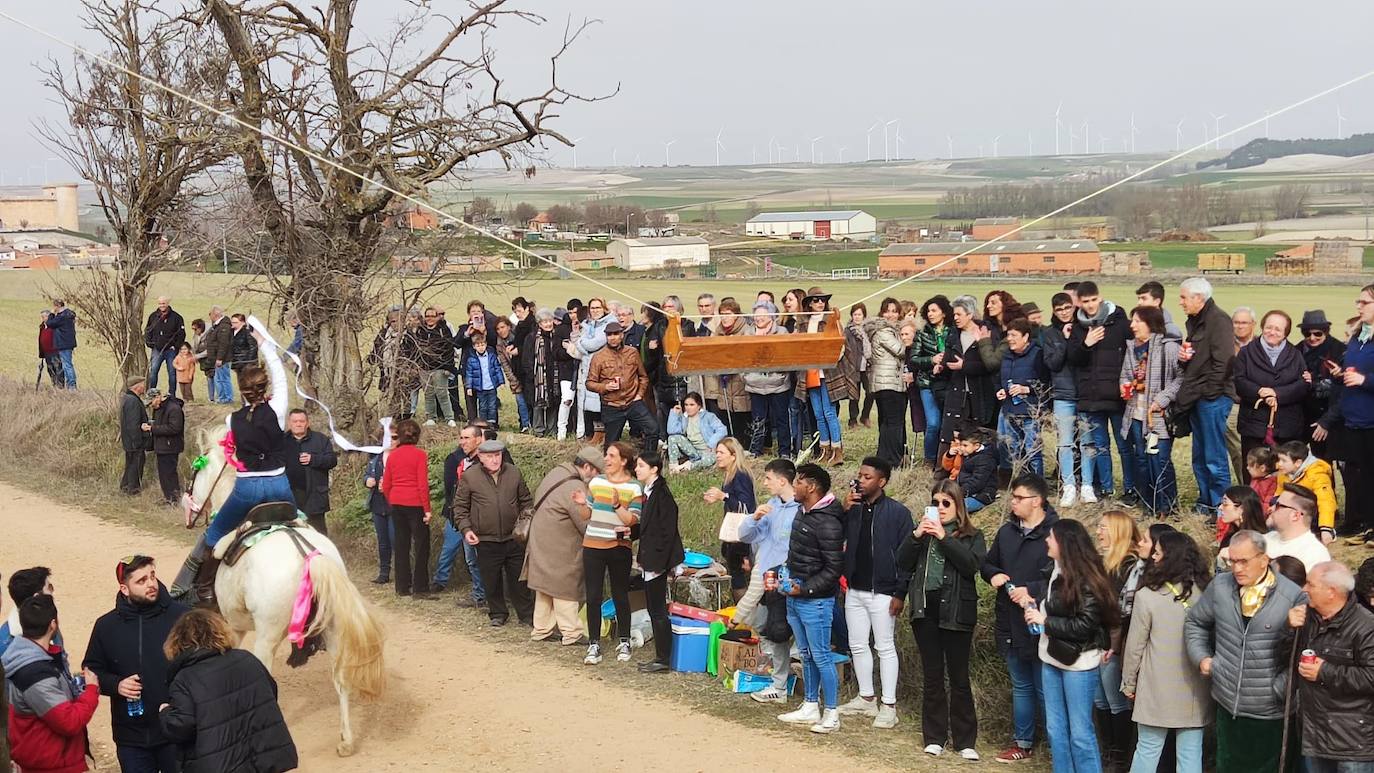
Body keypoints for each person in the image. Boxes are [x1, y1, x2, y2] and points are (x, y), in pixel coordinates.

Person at [170, 330, 294, 606]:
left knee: (213, 534)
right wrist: (264, 345)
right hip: (279, 485)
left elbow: (235, 449)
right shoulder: (278, 409)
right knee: (301, 527)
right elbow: (280, 375)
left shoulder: (231, 421)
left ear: (242, 390)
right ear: (265, 388)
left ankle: (202, 588)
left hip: (248, 489)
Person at [1185, 529, 1304, 773]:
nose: (1237, 568)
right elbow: (1195, 622)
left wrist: (1279, 689)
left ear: (1264, 559)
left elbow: (1304, 650)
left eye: (1243, 561)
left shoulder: (1292, 596)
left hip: (1270, 713)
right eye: (1232, 561)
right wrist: (1202, 658)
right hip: (1227, 703)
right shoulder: (1220, 586)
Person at [897, 479, 986, 759]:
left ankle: (965, 741)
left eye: (946, 503)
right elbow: (901, 562)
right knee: (933, 675)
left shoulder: (972, 535)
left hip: (957, 610)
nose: (940, 508)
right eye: (935, 503)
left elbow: (971, 565)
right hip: (925, 611)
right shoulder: (922, 533)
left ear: (958, 506)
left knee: (959, 676)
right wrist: (916, 535)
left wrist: (944, 538)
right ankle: (935, 737)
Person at [1022, 519, 1120, 773]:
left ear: (1064, 543)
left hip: (1079, 663)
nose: (1046, 540)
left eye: (1051, 537)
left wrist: (1045, 621)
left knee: (1080, 733)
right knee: (1056, 730)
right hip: (1051, 657)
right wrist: (1034, 608)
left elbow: (1084, 625)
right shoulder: (1053, 570)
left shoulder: (1087, 579)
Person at [83, 555, 189, 773]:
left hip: (175, 730)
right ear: (124, 589)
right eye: (141, 581)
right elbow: (92, 670)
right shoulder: (106, 626)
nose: (151, 584)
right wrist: (116, 685)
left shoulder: (182, 617)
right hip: (131, 737)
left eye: (152, 576)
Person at [159, 608, 297, 773]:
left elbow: (181, 727)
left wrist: (165, 713)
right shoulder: (247, 658)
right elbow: (270, 692)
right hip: (261, 758)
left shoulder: (184, 678)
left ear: (178, 642)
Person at [1119, 531, 1212, 773]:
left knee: (1148, 749)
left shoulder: (1147, 596)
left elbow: (1135, 646)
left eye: (1158, 553)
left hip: (1155, 688)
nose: (1153, 557)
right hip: (1195, 687)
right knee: (1190, 754)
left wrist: (1129, 683)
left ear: (1170, 558)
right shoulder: (1206, 593)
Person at [982, 472, 1058, 763]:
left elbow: (1067, 576)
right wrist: (994, 574)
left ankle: (1056, 748)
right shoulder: (1007, 532)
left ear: (1037, 501)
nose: (1012, 502)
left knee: (1046, 689)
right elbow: (988, 563)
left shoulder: (1057, 532)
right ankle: (1022, 743)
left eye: (1018, 498)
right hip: (1010, 621)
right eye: (1012, 497)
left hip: (1044, 623)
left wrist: (1032, 590)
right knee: (1022, 686)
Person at [836, 456, 913, 729]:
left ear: (882, 481)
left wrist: (900, 592)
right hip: (855, 588)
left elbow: (908, 555)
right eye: (859, 475)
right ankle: (866, 697)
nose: (861, 480)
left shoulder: (898, 513)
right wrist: (844, 511)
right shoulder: (853, 509)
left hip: (884, 590)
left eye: (867, 477)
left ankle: (889, 705)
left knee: (884, 646)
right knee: (858, 644)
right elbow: (837, 537)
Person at [776, 463, 846, 735]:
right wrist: (785, 576)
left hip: (815, 601)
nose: (794, 486)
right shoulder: (802, 512)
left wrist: (804, 590)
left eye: (799, 482)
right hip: (794, 594)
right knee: (806, 654)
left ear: (812, 487)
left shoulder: (828, 522)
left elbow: (833, 569)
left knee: (821, 656)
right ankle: (810, 705)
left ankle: (832, 712)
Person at [1290, 561, 1374, 773]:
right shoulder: (1306, 619)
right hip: (1315, 735)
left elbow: (1371, 677)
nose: (1304, 589)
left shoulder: (1366, 626)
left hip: (1352, 742)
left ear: (1331, 592)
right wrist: (1289, 629)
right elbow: (1285, 658)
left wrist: (1324, 671)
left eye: (1310, 584)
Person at [4, 595, 99, 773]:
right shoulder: (35, 673)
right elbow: (69, 722)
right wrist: (91, 690)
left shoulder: (36, 660)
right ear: (53, 624)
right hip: (50, 766)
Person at [733, 458, 801, 703]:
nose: (764, 483)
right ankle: (780, 681)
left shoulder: (800, 509)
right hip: (765, 575)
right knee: (768, 625)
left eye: (768, 478)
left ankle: (786, 684)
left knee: (783, 628)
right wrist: (754, 518)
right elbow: (745, 535)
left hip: (789, 578)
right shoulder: (771, 506)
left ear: (782, 481)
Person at [524, 446, 602, 646]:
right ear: (587, 467)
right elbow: (585, 523)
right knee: (565, 587)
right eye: (597, 473)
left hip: (542, 538)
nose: (596, 478)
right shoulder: (575, 487)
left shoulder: (558, 472)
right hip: (561, 544)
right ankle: (571, 632)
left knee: (545, 587)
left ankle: (541, 629)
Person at [454, 439, 534, 627]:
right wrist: (466, 529)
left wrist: (524, 524)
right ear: (480, 457)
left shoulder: (514, 473)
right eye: (490, 456)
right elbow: (460, 507)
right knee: (491, 579)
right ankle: (497, 613)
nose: (495, 460)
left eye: (497, 455)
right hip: (485, 538)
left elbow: (526, 501)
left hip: (513, 537)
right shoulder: (470, 476)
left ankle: (526, 615)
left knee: (519, 579)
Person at [575, 442, 642, 666]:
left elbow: (632, 520)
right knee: (593, 596)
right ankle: (593, 643)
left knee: (620, 595)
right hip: (592, 545)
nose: (606, 459)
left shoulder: (634, 487)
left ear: (623, 461)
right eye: (607, 455)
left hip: (619, 547)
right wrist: (581, 504)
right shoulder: (596, 482)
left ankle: (624, 640)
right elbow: (586, 515)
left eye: (612, 456)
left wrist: (616, 505)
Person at [1066, 280, 1133, 504]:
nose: (1091, 305)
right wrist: (1086, 344)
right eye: (1086, 301)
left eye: (1094, 300)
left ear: (1100, 298)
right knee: (1100, 446)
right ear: (1080, 302)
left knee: (1124, 446)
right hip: (1091, 396)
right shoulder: (1078, 327)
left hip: (1117, 396)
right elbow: (1073, 359)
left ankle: (1130, 488)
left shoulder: (1120, 323)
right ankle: (1106, 488)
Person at [1176, 277, 1237, 518]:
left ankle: (1222, 509)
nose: (1181, 302)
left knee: (1214, 457)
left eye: (1184, 297)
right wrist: (1184, 358)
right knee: (1200, 457)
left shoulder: (1218, 320)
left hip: (1212, 398)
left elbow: (1224, 361)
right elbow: (1200, 359)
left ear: (1199, 298)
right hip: (1197, 397)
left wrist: (1211, 392)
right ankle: (1206, 502)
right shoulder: (1196, 321)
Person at [1321, 285, 1374, 546]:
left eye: (1364, 302)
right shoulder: (1357, 336)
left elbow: (1364, 376)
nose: (1358, 306)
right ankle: (1362, 524)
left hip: (1372, 420)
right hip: (1353, 418)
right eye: (1358, 302)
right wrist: (1341, 374)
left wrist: (1365, 380)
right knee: (1358, 476)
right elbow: (1353, 370)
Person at [1119, 305, 1184, 516]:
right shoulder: (1131, 347)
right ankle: (1150, 505)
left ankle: (1168, 506)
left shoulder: (1168, 348)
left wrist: (1162, 399)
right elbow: (1125, 375)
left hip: (1158, 415)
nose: (1132, 325)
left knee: (1160, 460)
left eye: (1137, 321)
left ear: (1151, 324)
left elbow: (1181, 379)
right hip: (1135, 414)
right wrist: (1124, 386)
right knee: (1142, 460)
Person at [1095, 511, 1143, 773]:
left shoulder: (1129, 565)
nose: (1098, 532)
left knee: (1116, 701)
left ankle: (1119, 758)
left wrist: (1114, 645)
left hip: (1115, 643)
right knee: (1100, 700)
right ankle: (1108, 752)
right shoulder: (1106, 563)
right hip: (1099, 640)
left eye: (1104, 527)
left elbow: (1121, 610)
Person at [1235, 310, 1308, 479]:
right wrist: (1260, 391)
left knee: (1285, 475)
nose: (1272, 332)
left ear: (1285, 333)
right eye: (1269, 327)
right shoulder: (1246, 353)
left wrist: (1277, 393)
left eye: (1278, 329)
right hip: (1254, 424)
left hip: (1286, 425)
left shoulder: (1295, 354)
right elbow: (1239, 381)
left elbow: (1303, 385)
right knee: (1254, 472)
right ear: (1262, 327)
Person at [631, 449, 684, 673]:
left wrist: (661, 563)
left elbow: (667, 531)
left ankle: (663, 658)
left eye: (641, 466)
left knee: (658, 610)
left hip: (657, 560)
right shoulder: (649, 492)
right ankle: (661, 657)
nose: (637, 469)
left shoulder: (661, 495)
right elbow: (647, 526)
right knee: (655, 609)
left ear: (654, 469)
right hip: (651, 558)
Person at [433, 423, 486, 605]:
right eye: (461, 438)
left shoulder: (486, 463)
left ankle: (484, 596)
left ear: (478, 439)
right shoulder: (459, 461)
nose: (462, 442)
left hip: (477, 519)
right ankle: (478, 595)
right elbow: (452, 490)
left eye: (466, 438)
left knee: (478, 559)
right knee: (469, 558)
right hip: (460, 517)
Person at [381, 418, 433, 597]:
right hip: (416, 503)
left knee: (401, 545)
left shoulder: (392, 455)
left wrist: (392, 500)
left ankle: (402, 586)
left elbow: (386, 484)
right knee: (421, 546)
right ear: (417, 436)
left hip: (397, 502)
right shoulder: (420, 455)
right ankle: (420, 587)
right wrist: (427, 509)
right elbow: (422, 484)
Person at [586, 320, 657, 447]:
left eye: (616, 334)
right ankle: (612, 459)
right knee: (611, 443)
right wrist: (605, 387)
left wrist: (639, 395)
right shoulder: (599, 357)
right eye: (609, 335)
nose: (613, 337)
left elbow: (643, 377)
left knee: (653, 429)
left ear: (622, 335)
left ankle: (648, 458)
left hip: (633, 402)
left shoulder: (632, 352)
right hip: (612, 405)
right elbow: (590, 383)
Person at [1043, 292, 1083, 506]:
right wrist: (1066, 342)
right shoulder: (1050, 334)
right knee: (1065, 442)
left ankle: (1087, 483)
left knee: (1087, 441)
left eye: (1067, 308)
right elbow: (1053, 364)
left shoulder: (1084, 327)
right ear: (1054, 311)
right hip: (1062, 393)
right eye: (1059, 309)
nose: (1064, 312)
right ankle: (1068, 485)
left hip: (1084, 391)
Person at [704, 438, 756, 601]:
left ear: (733, 456)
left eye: (721, 452)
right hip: (734, 533)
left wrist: (724, 496)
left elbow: (746, 506)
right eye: (717, 452)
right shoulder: (730, 474)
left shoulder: (740, 475)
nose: (717, 456)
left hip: (741, 534)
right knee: (735, 574)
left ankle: (743, 612)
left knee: (737, 576)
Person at [999, 318, 1050, 476]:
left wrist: (1026, 389)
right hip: (1010, 410)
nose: (1010, 339)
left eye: (1014, 335)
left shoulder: (1038, 354)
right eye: (1008, 335)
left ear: (1026, 336)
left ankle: (1037, 484)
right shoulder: (1006, 356)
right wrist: (1002, 391)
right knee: (1015, 451)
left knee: (1032, 451)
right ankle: (1021, 483)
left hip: (1030, 412)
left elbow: (1046, 384)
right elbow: (1001, 380)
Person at [743, 300, 792, 458]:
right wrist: (746, 377)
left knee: (782, 419)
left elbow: (787, 356)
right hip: (755, 384)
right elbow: (742, 358)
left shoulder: (782, 332)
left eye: (762, 315)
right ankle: (756, 450)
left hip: (778, 384)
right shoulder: (747, 333)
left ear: (771, 316)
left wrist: (781, 373)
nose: (758, 318)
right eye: (756, 315)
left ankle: (784, 451)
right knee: (758, 420)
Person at [699, 299, 752, 443]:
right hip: (723, 383)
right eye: (722, 314)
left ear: (736, 315)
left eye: (728, 314)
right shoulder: (718, 332)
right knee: (725, 417)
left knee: (742, 417)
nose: (724, 318)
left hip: (741, 382)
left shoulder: (746, 330)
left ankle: (744, 445)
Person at [912, 295, 954, 465]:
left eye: (934, 310)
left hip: (949, 383)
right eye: (928, 311)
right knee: (933, 423)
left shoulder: (953, 332)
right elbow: (914, 359)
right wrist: (931, 360)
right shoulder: (922, 334)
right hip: (928, 383)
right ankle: (929, 459)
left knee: (947, 424)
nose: (930, 314)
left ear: (944, 313)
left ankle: (945, 460)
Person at [1296, 310, 1344, 460]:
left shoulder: (1340, 351)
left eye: (1318, 334)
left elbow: (1342, 390)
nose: (1312, 338)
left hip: (1327, 418)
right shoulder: (1296, 350)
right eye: (1307, 334)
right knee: (1291, 461)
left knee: (1323, 463)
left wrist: (1326, 422)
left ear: (1326, 331)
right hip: (1300, 417)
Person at [283, 409, 338, 535]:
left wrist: (314, 459)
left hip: (314, 497)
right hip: (290, 497)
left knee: (318, 535)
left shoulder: (320, 439)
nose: (298, 424)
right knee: (292, 535)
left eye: (301, 421)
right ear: (289, 423)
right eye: (295, 421)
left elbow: (332, 460)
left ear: (308, 423)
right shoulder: (282, 442)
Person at [1275, 441, 1338, 544]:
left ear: (1298, 463)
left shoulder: (1317, 474)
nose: (1279, 464)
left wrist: (1326, 528)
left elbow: (1326, 501)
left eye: (1283, 461)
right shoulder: (1284, 473)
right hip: (1295, 510)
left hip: (1311, 512)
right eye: (1279, 460)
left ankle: (1319, 530)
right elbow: (1278, 494)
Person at [568, 297, 611, 443]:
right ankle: (589, 433)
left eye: (598, 307)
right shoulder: (588, 325)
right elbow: (583, 344)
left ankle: (601, 434)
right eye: (592, 308)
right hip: (587, 369)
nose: (595, 311)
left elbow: (594, 344)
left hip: (602, 370)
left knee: (599, 402)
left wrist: (580, 343)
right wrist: (582, 343)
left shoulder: (608, 324)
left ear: (604, 308)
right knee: (588, 404)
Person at [1265, 483, 1332, 572]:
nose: (1270, 508)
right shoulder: (1264, 539)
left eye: (1277, 505)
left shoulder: (1315, 555)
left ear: (1295, 515)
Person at [521, 309, 561, 437]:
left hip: (553, 375)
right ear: (539, 323)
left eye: (550, 321)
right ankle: (538, 430)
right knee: (538, 403)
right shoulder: (532, 338)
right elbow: (526, 358)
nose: (548, 324)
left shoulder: (556, 336)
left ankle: (552, 430)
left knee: (553, 402)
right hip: (537, 378)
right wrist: (531, 374)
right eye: (545, 322)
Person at [416, 306, 457, 426]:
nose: (430, 318)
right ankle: (431, 418)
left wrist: (448, 367)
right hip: (424, 368)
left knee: (442, 393)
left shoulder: (443, 330)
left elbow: (449, 349)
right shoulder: (421, 330)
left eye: (432, 316)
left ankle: (449, 418)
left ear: (437, 317)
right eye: (427, 316)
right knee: (428, 393)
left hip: (440, 367)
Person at [666, 391, 726, 472]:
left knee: (709, 460)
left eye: (692, 405)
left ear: (699, 406)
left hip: (707, 451)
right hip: (693, 451)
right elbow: (671, 431)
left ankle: (687, 467)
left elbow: (722, 430)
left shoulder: (708, 416)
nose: (688, 407)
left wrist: (711, 444)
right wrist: (674, 414)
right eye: (686, 405)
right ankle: (673, 467)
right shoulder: (684, 418)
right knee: (672, 438)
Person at [363, 435, 394, 584]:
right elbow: (367, 475)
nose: (390, 441)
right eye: (388, 438)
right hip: (377, 504)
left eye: (393, 438)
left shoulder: (398, 457)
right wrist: (367, 481)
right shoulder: (375, 459)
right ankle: (384, 573)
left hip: (394, 505)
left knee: (395, 539)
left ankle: (403, 572)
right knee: (383, 542)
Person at [148, 389, 186, 507]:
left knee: (170, 474)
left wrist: (153, 429)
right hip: (161, 446)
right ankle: (168, 498)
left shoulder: (174, 408)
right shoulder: (159, 409)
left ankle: (174, 499)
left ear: (158, 397)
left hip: (171, 447)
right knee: (163, 474)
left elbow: (175, 428)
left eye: (151, 402)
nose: (151, 405)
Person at [1216, 486, 1270, 568]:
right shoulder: (1231, 535)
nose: (1220, 508)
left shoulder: (1257, 542)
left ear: (1242, 509)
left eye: (1225, 504)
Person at [144, 296, 186, 399]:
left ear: (168, 303)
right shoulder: (153, 317)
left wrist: (175, 346)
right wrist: (150, 343)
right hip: (157, 349)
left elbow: (181, 334)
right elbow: (148, 331)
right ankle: (151, 394)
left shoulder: (177, 317)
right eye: (160, 303)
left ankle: (172, 395)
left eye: (163, 303)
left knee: (172, 373)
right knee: (153, 371)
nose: (162, 306)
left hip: (170, 350)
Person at [954, 426, 998, 513]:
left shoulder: (985, 459)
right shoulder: (971, 455)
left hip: (980, 496)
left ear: (977, 445)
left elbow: (977, 482)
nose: (962, 448)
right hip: (968, 493)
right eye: (960, 445)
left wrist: (958, 492)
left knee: (953, 508)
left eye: (965, 445)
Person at [464, 334, 505, 427]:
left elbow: (497, 369)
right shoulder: (471, 359)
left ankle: (492, 423)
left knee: (492, 406)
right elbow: (469, 374)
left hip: (491, 386)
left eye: (482, 345)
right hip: (480, 388)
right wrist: (469, 387)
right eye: (478, 345)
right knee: (482, 406)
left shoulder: (491, 356)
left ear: (486, 344)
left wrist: (501, 382)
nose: (481, 347)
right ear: (474, 347)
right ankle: (483, 423)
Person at [119, 376, 150, 495]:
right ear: (136, 386)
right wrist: (137, 441)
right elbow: (133, 424)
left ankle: (125, 486)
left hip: (129, 440)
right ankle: (132, 489)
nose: (144, 387)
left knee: (130, 464)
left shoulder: (128, 399)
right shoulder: (133, 401)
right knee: (135, 465)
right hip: (134, 441)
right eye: (142, 384)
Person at [845, 303, 873, 429]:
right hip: (853, 367)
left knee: (871, 392)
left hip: (866, 367)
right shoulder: (848, 331)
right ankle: (852, 420)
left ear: (864, 316)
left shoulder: (868, 330)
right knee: (854, 396)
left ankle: (865, 416)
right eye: (855, 314)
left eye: (859, 314)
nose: (857, 317)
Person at [46, 298, 78, 389]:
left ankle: (72, 385)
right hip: (68, 343)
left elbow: (49, 323)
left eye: (54, 306)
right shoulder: (68, 314)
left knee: (67, 365)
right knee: (67, 364)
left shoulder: (61, 317)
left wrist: (52, 314)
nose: (54, 308)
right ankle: (70, 385)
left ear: (58, 306)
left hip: (63, 343)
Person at [1246, 446, 1280, 521]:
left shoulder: (1272, 483)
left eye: (1250, 465)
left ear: (1262, 468)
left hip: (1259, 517)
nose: (1247, 468)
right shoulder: (1255, 478)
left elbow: (1267, 504)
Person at [38, 310, 65, 388]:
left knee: (58, 369)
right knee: (50, 369)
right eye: (42, 317)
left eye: (45, 316)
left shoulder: (54, 326)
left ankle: (60, 386)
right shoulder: (42, 327)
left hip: (55, 351)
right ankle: (54, 385)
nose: (43, 318)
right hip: (46, 352)